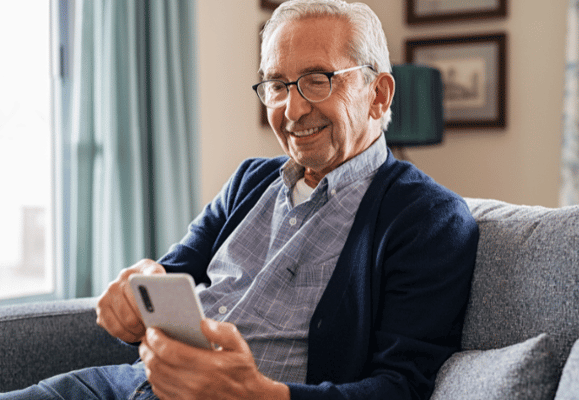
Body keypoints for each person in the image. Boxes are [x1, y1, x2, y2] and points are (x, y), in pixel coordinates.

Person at [2, 0, 478, 399]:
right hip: (126, 385)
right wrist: (139, 288)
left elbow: (402, 388)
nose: (291, 110)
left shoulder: (429, 218)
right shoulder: (251, 179)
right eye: (276, 85)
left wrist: (257, 395)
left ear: (377, 95)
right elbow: (174, 273)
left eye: (318, 79)